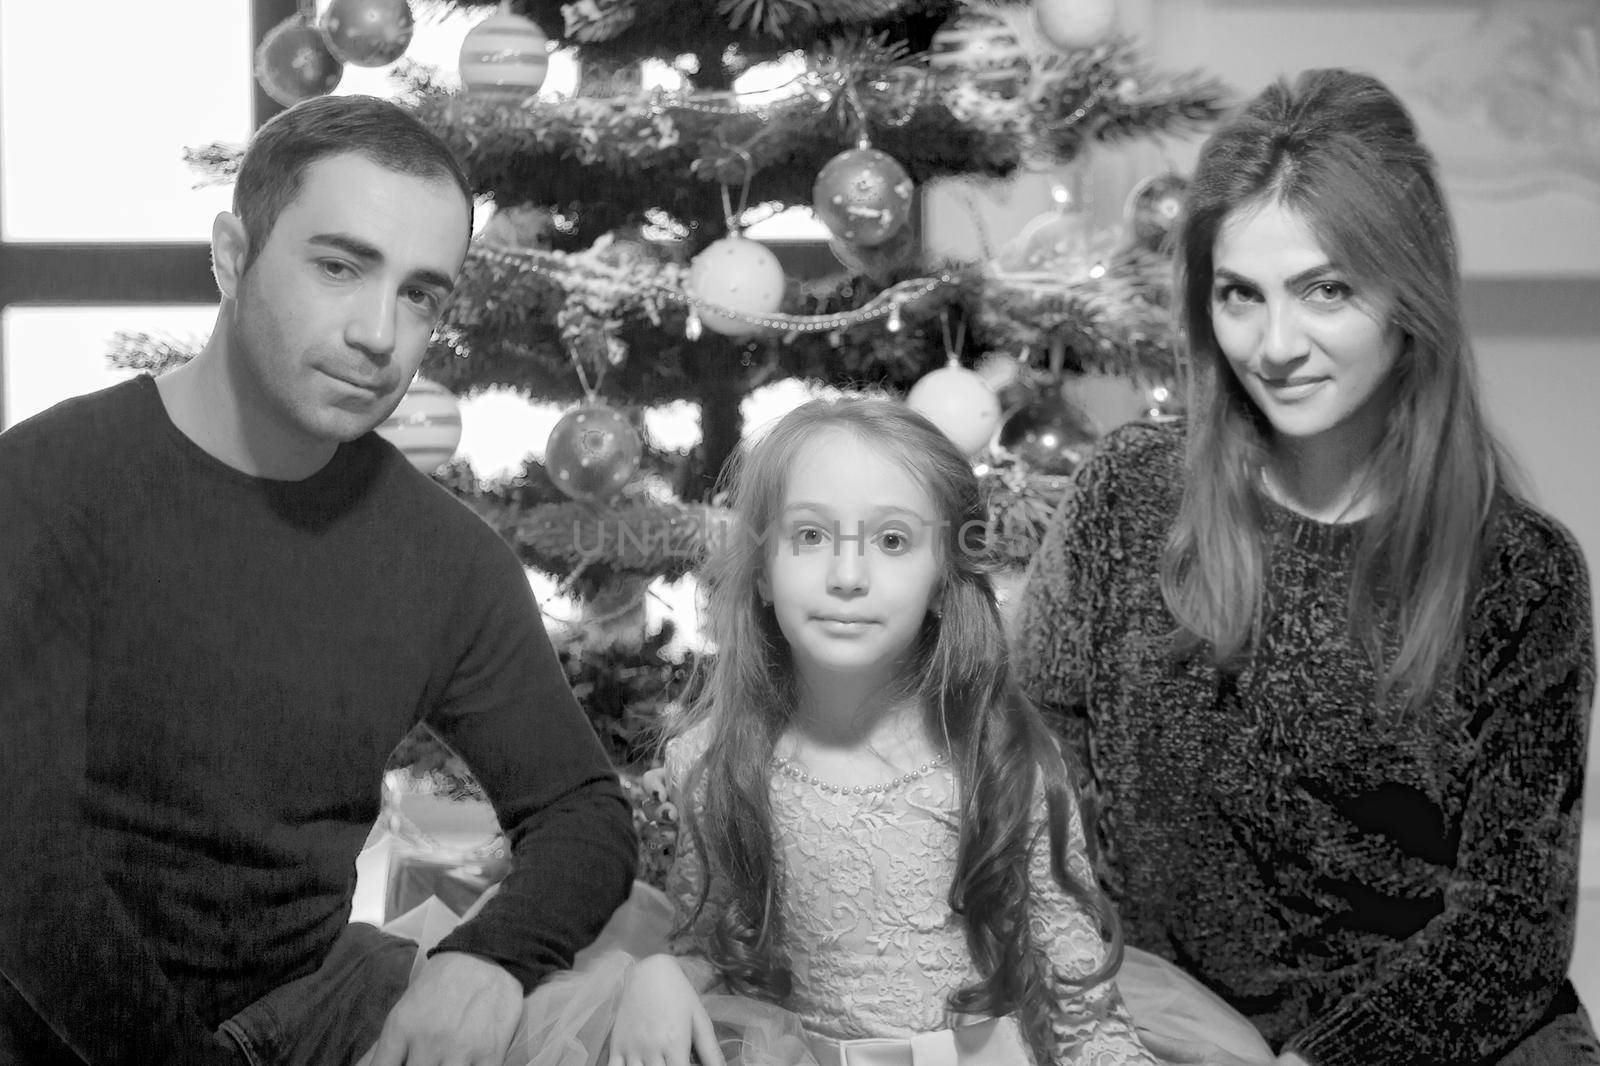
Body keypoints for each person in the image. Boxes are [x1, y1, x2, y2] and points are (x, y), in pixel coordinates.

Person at [0, 94, 636, 1066]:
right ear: (231, 252)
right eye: (339, 266)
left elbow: (583, 813)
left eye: (421, 293)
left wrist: (489, 960)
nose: (380, 334)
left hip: (311, 1010)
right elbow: (18, 861)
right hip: (57, 1023)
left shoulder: (444, 557)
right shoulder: (48, 486)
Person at [1014, 68, 1597, 1066]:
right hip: (1159, 1035)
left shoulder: (1521, 573)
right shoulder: (1123, 497)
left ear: (1405, 295)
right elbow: (1032, 793)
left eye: (1325, 290)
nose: (1274, 345)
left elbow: (1509, 934)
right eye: (1239, 295)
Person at [599, 396, 1163, 1066]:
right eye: (809, 536)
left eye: (892, 541)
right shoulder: (719, 763)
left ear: (943, 577)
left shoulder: (997, 762)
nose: (846, 577)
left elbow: (1081, 1013)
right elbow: (716, 959)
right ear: (762, 571)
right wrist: (662, 975)